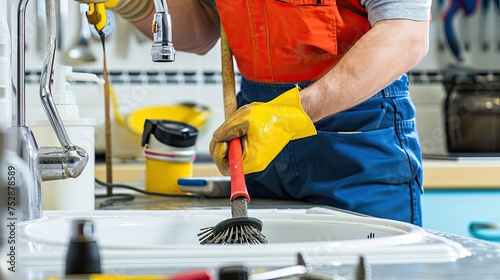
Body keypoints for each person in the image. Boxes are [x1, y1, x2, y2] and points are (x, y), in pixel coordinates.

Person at [76, 0, 431, 226]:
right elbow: (203, 31)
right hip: (261, 141)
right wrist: (132, 3)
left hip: (359, 137)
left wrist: (290, 115)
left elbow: (406, 32)